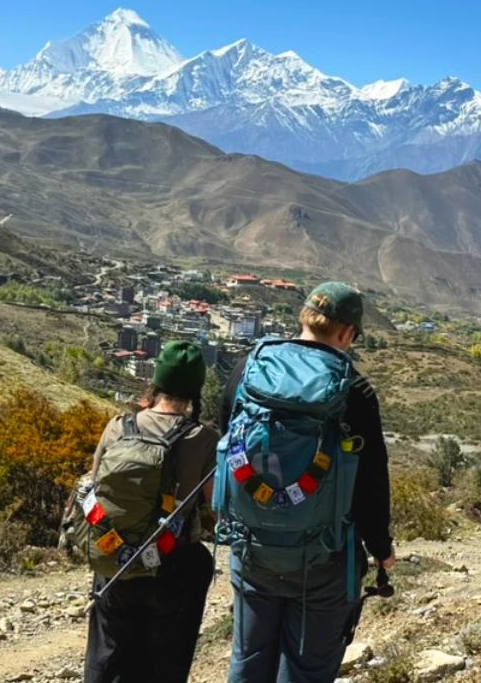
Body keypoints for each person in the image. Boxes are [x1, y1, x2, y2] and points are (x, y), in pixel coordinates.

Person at [218, 282, 395, 683]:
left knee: (248, 660)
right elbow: (370, 483)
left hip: (252, 551)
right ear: (348, 333)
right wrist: (381, 550)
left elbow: (225, 442)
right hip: (324, 558)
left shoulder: (250, 369)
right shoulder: (354, 390)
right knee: (307, 668)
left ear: (304, 318)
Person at [84, 341, 218, 683]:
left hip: (114, 560)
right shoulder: (203, 439)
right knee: (165, 664)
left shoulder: (118, 426)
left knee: (107, 655)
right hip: (175, 563)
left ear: (156, 383)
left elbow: (94, 487)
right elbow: (217, 506)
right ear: (195, 390)